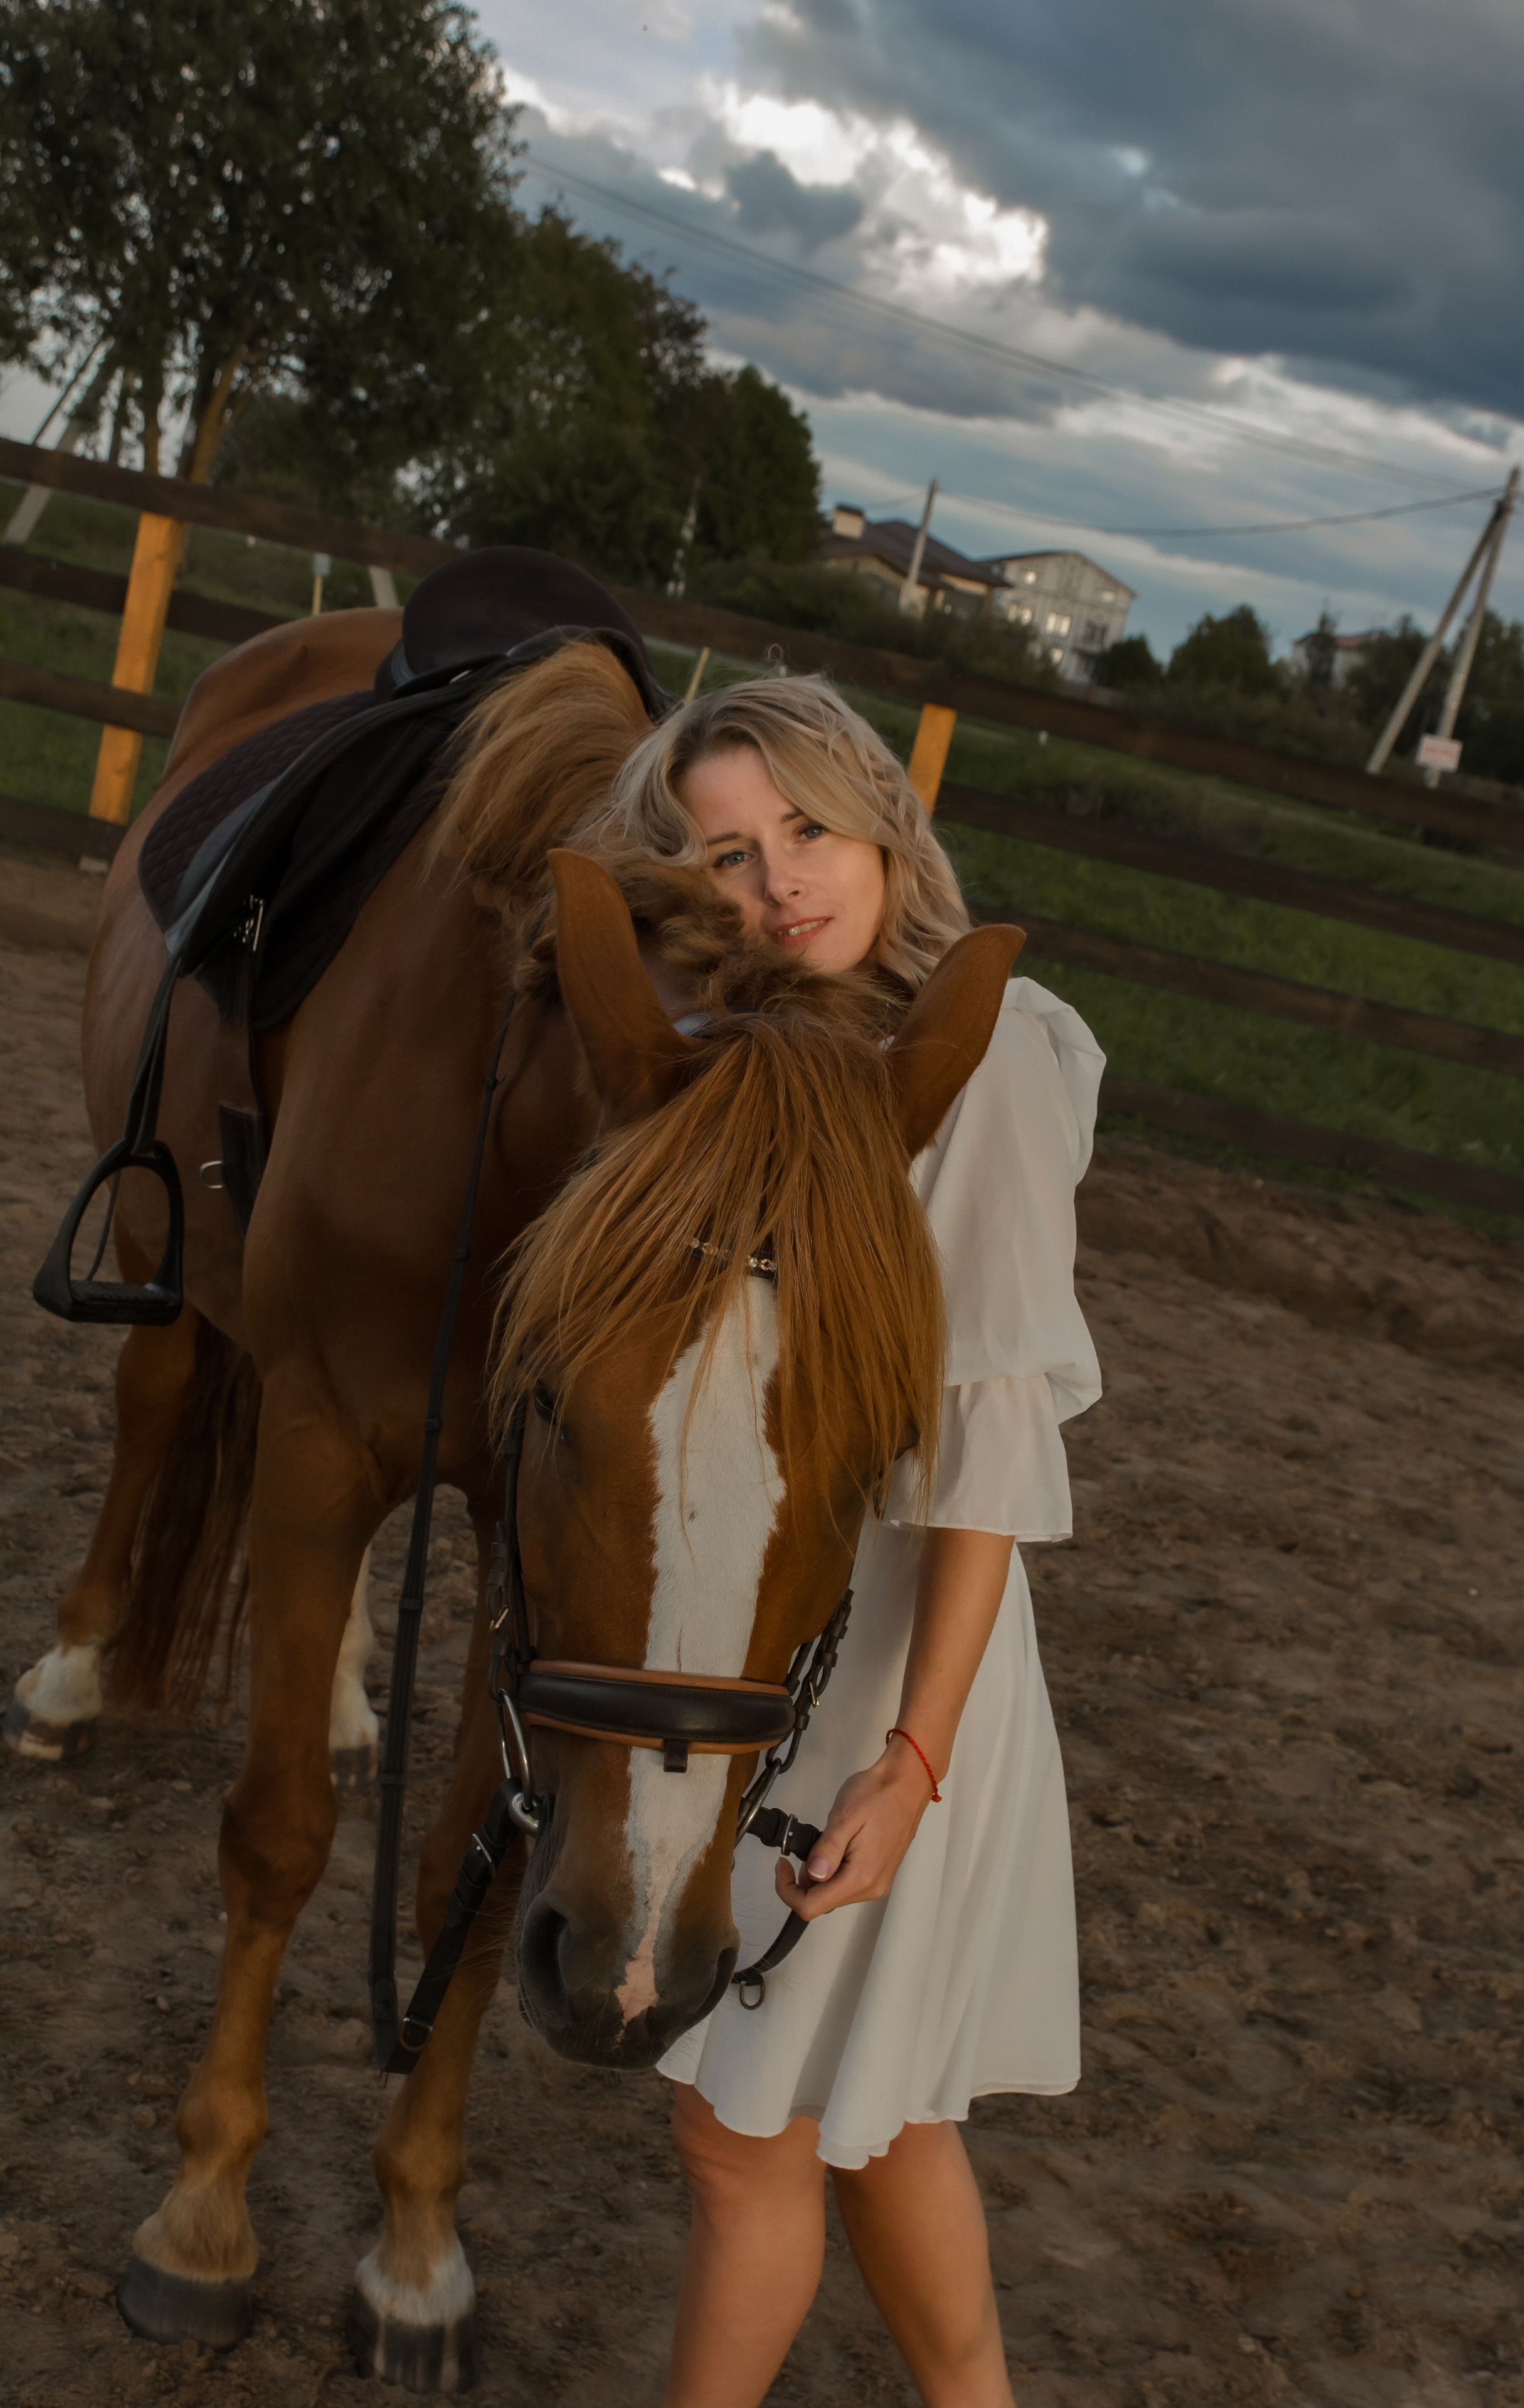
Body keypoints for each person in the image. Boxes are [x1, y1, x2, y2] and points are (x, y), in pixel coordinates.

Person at [587, 673, 1104, 2408]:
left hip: (900, 1658)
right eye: (730, 856)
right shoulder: (750, 1063)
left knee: (748, 2134)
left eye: (808, 828)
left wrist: (913, 1758)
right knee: (869, 2128)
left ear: (883, 818)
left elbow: (986, 1449)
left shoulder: (994, 1060)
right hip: (770, 1617)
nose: (783, 881)